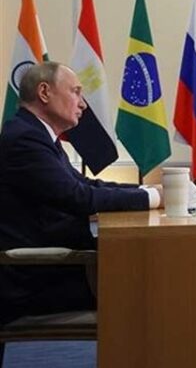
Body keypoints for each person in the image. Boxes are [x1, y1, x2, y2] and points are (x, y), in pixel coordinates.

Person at [0, 62, 162, 325]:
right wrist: (152, 199)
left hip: (56, 266)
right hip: (38, 279)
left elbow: (86, 185)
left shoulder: (35, 134)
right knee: (147, 282)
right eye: (75, 91)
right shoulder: (24, 139)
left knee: (150, 273)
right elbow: (79, 197)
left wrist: (147, 191)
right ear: (44, 92)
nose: (83, 104)